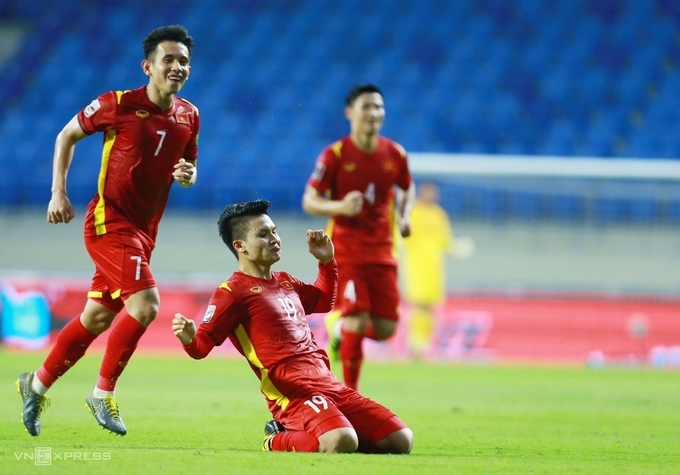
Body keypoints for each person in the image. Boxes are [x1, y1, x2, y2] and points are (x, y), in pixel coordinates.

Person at [16, 25, 200, 437]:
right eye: (168, 59)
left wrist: (188, 175)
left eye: (183, 61)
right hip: (108, 222)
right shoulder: (116, 104)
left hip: (144, 232)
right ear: (148, 66)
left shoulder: (190, 114)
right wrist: (57, 193)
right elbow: (67, 135)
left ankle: (36, 383)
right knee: (147, 306)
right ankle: (101, 393)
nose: (177, 67)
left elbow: (187, 168)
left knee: (97, 317)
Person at [172, 199, 413, 454]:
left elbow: (323, 301)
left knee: (400, 439)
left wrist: (327, 262)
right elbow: (200, 348)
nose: (274, 238)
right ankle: (276, 438)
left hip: (330, 384)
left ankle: (328, 434)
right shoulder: (231, 293)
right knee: (341, 441)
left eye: (274, 231)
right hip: (294, 394)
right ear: (240, 246)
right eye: (263, 234)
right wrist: (189, 337)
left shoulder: (286, 281)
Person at [301, 84, 415, 391]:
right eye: (367, 106)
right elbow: (310, 199)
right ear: (350, 113)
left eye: (378, 107)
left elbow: (406, 187)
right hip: (347, 251)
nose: (374, 113)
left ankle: (335, 328)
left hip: (383, 251)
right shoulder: (336, 155)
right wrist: (339, 205)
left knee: (386, 328)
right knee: (356, 318)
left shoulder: (395, 153)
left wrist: (404, 216)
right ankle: (351, 396)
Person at [400, 181, 454, 358]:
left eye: (433, 193)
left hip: (434, 267)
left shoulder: (440, 215)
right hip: (416, 265)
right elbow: (402, 236)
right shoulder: (412, 213)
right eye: (427, 192)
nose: (430, 196)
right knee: (419, 304)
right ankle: (415, 343)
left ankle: (424, 343)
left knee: (431, 306)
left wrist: (457, 247)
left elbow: (445, 240)